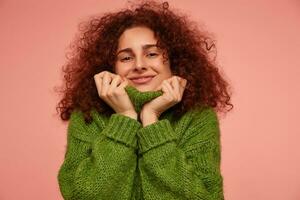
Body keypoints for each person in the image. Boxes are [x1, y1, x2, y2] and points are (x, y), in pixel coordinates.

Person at [55, 1, 233, 199]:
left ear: (175, 61)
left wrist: (151, 119)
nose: (139, 65)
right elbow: (81, 196)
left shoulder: (197, 118)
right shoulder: (88, 116)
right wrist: (125, 118)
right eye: (126, 58)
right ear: (110, 67)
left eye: (152, 54)